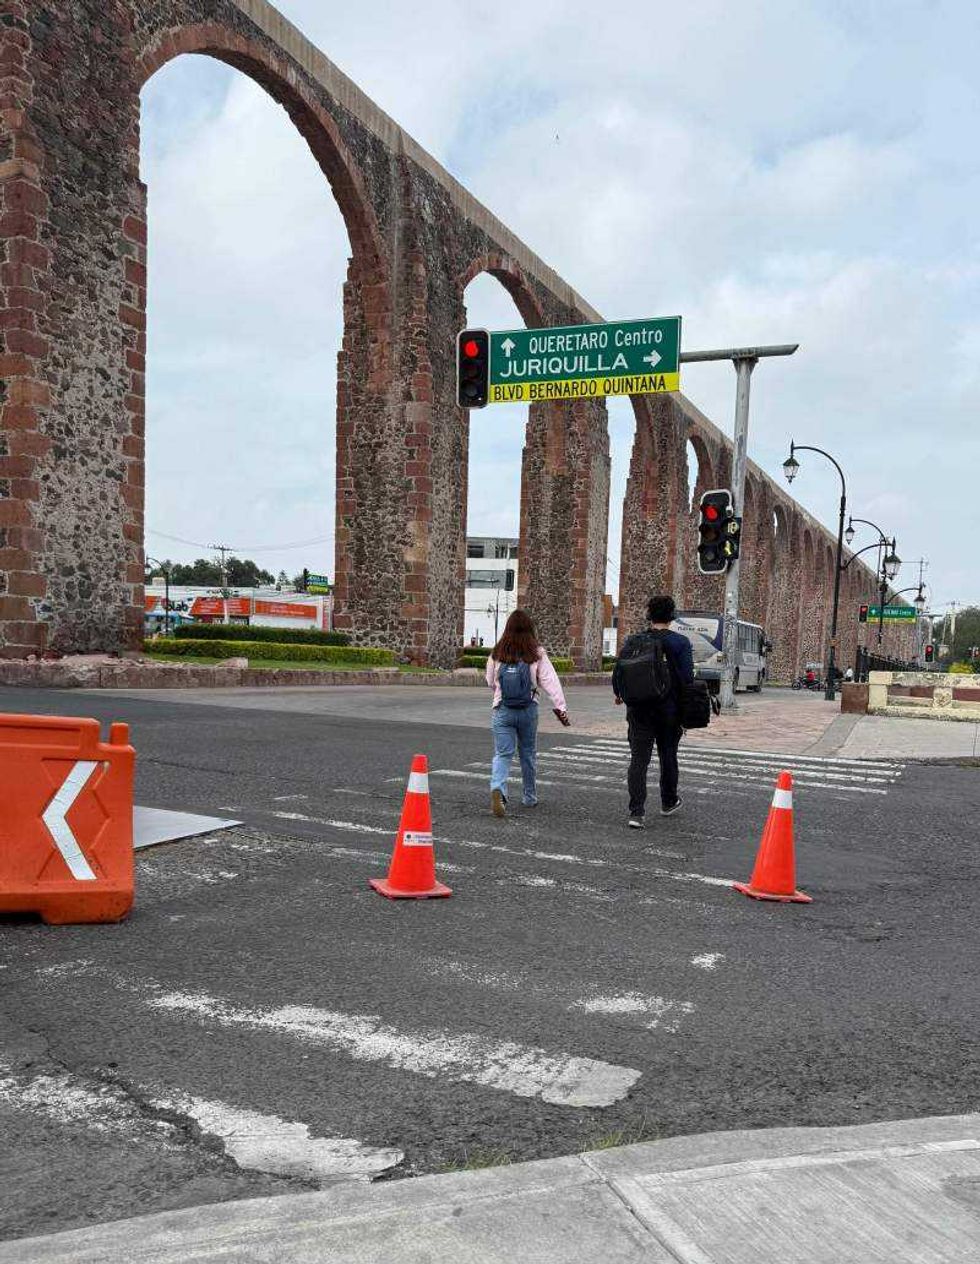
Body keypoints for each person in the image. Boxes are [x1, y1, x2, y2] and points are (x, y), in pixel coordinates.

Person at [612, 594, 694, 829]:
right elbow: (687, 678)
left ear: (649, 615)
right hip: (669, 710)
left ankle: (636, 812)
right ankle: (668, 801)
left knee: (639, 760)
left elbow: (619, 672)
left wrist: (619, 694)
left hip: (638, 709)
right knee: (668, 756)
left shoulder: (634, 641)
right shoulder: (680, 643)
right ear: (672, 616)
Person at [485, 609, 570, 817]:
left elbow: (489, 681)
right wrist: (561, 707)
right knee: (527, 753)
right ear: (530, 629)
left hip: (503, 708)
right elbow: (550, 681)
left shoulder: (497, 652)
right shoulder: (536, 653)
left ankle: (498, 788)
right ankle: (529, 796)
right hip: (528, 709)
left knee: (503, 754)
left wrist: (501, 691)